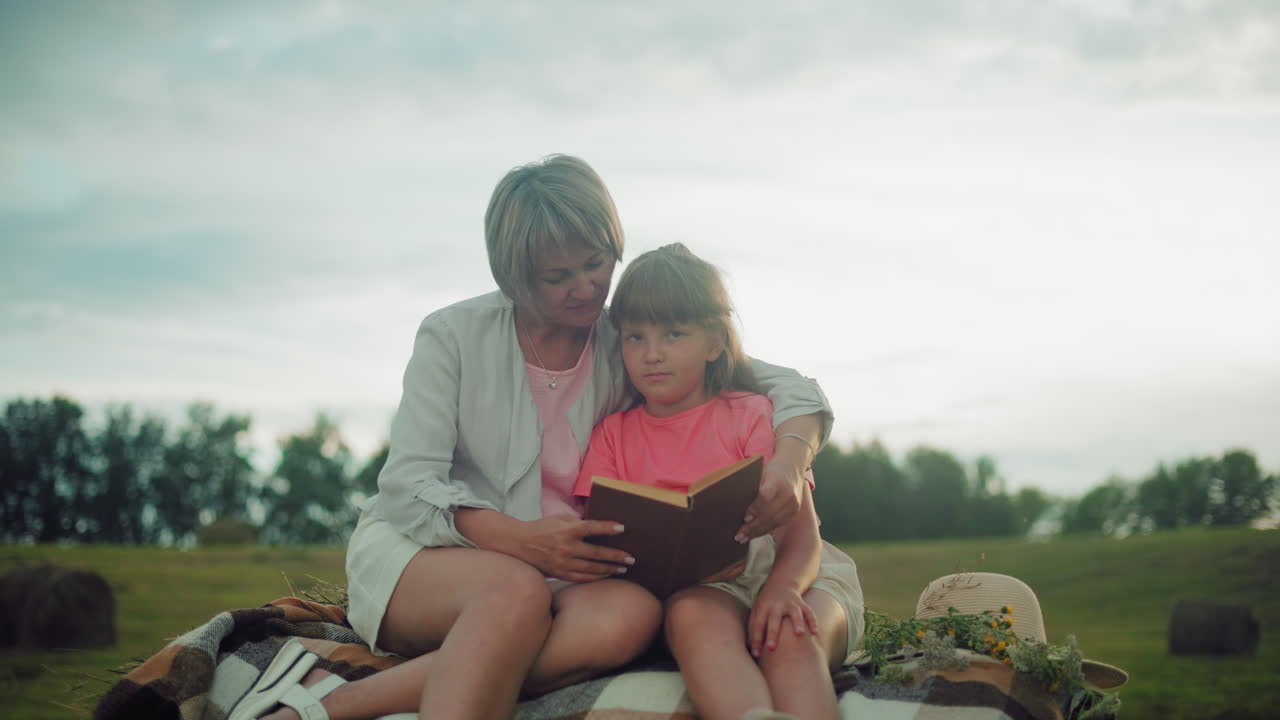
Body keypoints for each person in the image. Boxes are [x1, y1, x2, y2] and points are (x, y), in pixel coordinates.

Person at [233, 155, 833, 720]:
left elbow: (792, 390)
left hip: (564, 569)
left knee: (630, 618)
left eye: (597, 263)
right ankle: (338, 706)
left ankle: (328, 697)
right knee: (513, 593)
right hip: (430, 553)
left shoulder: (628, 336)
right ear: (514, 275)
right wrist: (519, 540)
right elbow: (407, 486)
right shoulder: (453, 336)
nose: (586, 288)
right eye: (557, 276)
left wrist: (790, 457)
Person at [574, 243, 863, 720]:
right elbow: (606, 539)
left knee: (788, 633)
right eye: (634, 337)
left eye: (673, 334)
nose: (652, 354)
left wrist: (784, 588)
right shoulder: (613, 436)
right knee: (693, 618)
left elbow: (801, 534)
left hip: (797, 572)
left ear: (713, 343)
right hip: (703, 591)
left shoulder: (751, 414)